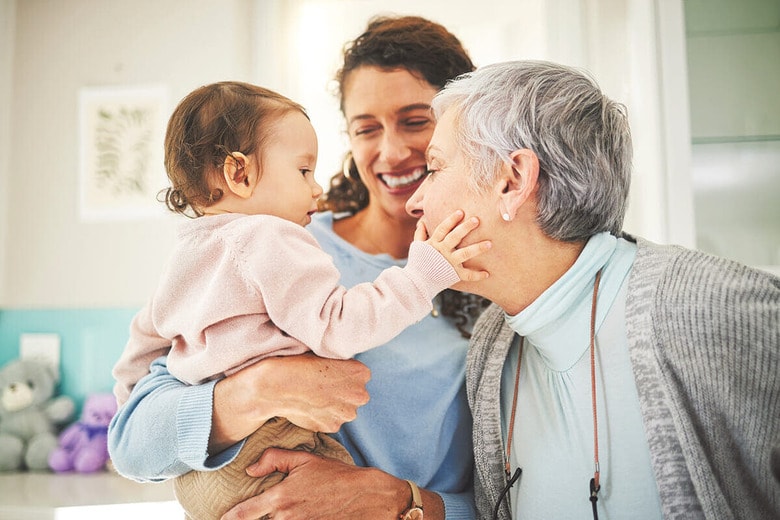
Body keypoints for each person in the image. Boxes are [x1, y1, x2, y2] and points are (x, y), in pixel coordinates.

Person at [108, 15, 488, 520]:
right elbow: (132, 444)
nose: (392, 151)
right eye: (366, 128)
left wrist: (408, 504)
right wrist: (254, 391)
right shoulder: (282, 245)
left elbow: (515, 495)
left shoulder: (495, 278)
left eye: (416, 121)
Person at [404, 60, 780, 519]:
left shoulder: (710, 308)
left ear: (513, 181)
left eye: (434, 168)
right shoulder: (492, 345)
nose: (414, 201)